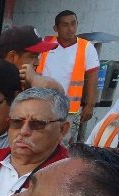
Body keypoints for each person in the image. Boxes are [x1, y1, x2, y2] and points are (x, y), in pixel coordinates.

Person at [38, 10, 100, 140]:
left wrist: (90, 105)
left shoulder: (86, 47)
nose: (70, 28)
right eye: (65, 25)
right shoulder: (45, 43)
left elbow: (93, 76)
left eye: (73, 24)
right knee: (40, 139)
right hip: (41, 103)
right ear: (56, 28)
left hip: (68, 109)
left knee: (63, 142)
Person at [0, 25, 61, 91]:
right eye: (32, 56)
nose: (37, 63)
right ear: (12, 57)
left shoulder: (22, 83)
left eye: (37, 56)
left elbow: (58, 91)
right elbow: (51, 88)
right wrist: (33, 79)